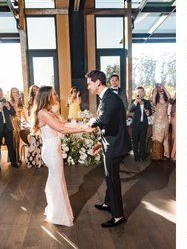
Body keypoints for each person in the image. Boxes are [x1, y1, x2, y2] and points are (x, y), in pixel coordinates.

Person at [31, 86, 93, 227]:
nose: (56, 95)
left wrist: (84, 124)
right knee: (57, 179)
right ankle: (58, 215)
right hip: (51, 150)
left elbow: (63, 124)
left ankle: (54, 208)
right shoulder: (42, 113)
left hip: (55, 147)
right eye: (53, 94)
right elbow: (61, 129)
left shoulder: (48, 111)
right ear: (46, 96)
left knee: (57, 178)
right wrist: (83, 129)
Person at [86, 70, 131, 228]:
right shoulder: (106, 97)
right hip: (110, 142)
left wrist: (91, 122)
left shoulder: (109, 99)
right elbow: (109, 124)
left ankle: (118, 216)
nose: (88, 87)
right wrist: (99, 142)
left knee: (112, 178)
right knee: (109, 176)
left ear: (98, 82)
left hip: (114, 146)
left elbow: (103, 120)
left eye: (89, 83)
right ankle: (107, 203)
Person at [129, 86, 152, 162]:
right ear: (137, 93)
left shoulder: (147, 102)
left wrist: (148, 112)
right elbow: (131, 110)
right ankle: (136, 157)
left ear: (144, 93)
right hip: (135, 125)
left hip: (144, 125)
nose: (140, 93)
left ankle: (143, 157)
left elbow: (150, 112)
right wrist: (136, 102)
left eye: (141, 91)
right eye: (138, 92)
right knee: (135, 142)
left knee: (142, 141)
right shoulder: (134, 101)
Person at [151, 84, 171, 160]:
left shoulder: (167, 100)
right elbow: (153, 96)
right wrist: (156, 88)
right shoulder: (155, 100)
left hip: (165, 120)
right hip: (157, 121)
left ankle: (166, 155)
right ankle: (157, 155)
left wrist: (164, 87)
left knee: (165, 138)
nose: (161, 92)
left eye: (162, 91)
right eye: (160, 92)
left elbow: (170, 97)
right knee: (157, 138)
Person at [8, 87, 26, 164]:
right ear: (11, 94)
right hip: (12, 122)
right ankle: (15, 160)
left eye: (16, 92)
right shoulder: (9, 102)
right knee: (15, 140)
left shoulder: (20, 102)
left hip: (19, 123)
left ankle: (17, 158)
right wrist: (16, 101)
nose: (15, 94)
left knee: (18, 141)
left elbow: (23, 112)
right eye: (13, 92)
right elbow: (14, 112)